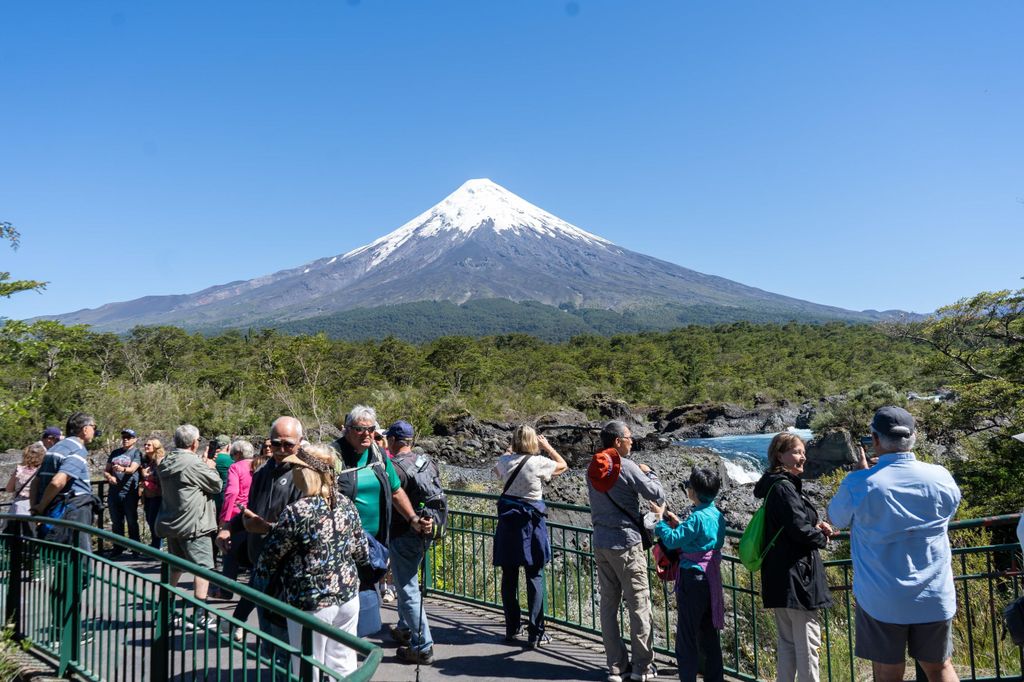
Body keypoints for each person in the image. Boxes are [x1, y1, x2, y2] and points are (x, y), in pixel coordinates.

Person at [828, 406, 962, 682]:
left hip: (881, 597)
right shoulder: (940, 476)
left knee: (888, 673)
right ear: (913, 437)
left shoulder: (860, 483)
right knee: (940, 668)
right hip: (935, 594)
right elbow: (949, 512)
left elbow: (836, 518)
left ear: (875, 440)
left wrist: (860, 475)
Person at [253, 442, 369, 679]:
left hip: (310, 601)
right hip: (347, 596)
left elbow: (269, 559)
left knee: (308, 666)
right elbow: (362, 553)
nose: (294, 473)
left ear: (307, 472)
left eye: (297, 468)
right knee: (343, 663)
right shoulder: (346, 504)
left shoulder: (298, 510)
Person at [330, 405, 432, 636]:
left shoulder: (377, 454)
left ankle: (353, 647)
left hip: (373, 546)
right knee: (344, 601)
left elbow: (396, 491)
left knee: (366, 601)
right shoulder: (333, 456)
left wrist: (413, 518)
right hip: (342, 546)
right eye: (359, 429)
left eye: (371, 429)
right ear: (347, 429)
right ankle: (340, 650)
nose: (366, 434)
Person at [587, 420, 665, 682]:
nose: (633, 441)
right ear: (618, 441)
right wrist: (650, 472)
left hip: (601, 542)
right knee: (639, 603)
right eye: (630, 437)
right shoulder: (626, 466)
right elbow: (656, 493)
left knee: (608, 606)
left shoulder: (594, 466)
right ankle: (642, 667)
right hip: (626, 544)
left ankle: (615, 666)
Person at [753, 433, 834, 682]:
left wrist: (816, 524)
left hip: (780, 575)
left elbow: (792, 523)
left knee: (788, 643)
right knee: (808, 644)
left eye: (803, 452)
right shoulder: (785, 488)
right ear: (780, 455)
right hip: (798, 577)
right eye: (797, 452)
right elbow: (798, 529)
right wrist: (822, 538)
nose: (803, 457)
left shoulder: (775, 486)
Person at [492, 424, 567, 648]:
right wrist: (548, 447)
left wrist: (507, 453)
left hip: (508, 524)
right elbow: (563, 466)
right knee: (534, 577)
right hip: (532, 524)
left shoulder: (505, 462)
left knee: (509, 577)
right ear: (534, 441)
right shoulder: (539, 462)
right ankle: (536, 633)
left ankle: (512, 627)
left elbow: (496, 473)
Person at [29, 412, 100, 645]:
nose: (94, 431)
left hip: (57, 517)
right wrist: (41, 505)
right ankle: (67, 631)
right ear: (84, 429)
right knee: (81, 570)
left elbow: (37, 481)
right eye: (93, 427)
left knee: (63, 573)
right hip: (73, 516)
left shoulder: (54, 449)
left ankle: (61, 627)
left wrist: (38, 509)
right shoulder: (76, 450)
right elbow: (59, 481)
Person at [654, 467, 726, 682]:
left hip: (692, 578)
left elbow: (673, 540)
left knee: (686, 636)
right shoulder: (717, 515)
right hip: (710, 577)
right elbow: (709, 539)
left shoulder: (696, 518)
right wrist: (681, 526)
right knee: (709, 633)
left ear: (693, 492)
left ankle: (687, 678)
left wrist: (660, 523)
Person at [386, 420, 445, 664]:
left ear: (392, 440)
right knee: (405, 582)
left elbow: (392, 498)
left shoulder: (395, 468)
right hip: (428, 530)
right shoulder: (426, 462)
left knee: (407, 588)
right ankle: (405, 629)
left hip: (404, 533)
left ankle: (422, 645)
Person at [244, 418, 305, 647]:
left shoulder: (305, 475)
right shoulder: (262, 472)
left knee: (286, 639)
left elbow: (304, 527)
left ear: (299, 443)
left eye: (288, 444)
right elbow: (252, 506)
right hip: (261, 564)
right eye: (276, 443)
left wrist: (267, 528)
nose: (281, 450)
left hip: (289, 572)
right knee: (269, 636)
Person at [156, 424, 223, 629]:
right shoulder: (193, 464)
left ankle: (163, 612)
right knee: (203, 569)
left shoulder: (166, 460)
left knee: (174, 568)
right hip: (194, 524)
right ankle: (200, 614)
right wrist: (209, 467)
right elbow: (216, 485)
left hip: (172, 522)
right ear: (195, 443)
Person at [212, 439, 256, 601]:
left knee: (228, 553)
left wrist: (224, 518)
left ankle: (226, 590)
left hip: (237, 513)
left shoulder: (236, 467)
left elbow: (231, 493)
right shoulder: (259, 466)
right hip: (254, 514)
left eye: (233, 454)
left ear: (237, 454)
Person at [103, 428, 143, 555]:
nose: (125, 439)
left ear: (135, 439)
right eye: (124, 437)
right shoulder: (115, 452)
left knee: (131, 520)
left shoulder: (136, 453)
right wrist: (110, 477)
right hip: (114, 492)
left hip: (129, 492)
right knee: (116, 521)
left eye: (129, 437)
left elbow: (132, 469)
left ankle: (135, 548)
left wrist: (122, 469)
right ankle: (118, 547)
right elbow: (106, 470)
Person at [139, 438, 165, 549]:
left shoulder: (160, 461)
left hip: (158, 495)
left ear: (155, 447)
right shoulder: (144, 461)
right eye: (145, 444)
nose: (146, 447)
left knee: (155, 520)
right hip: (147, 495)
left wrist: (148, 477)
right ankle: (155, 545)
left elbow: (162, 478)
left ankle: (158, 546)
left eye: (149, 445)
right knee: (150, 520)